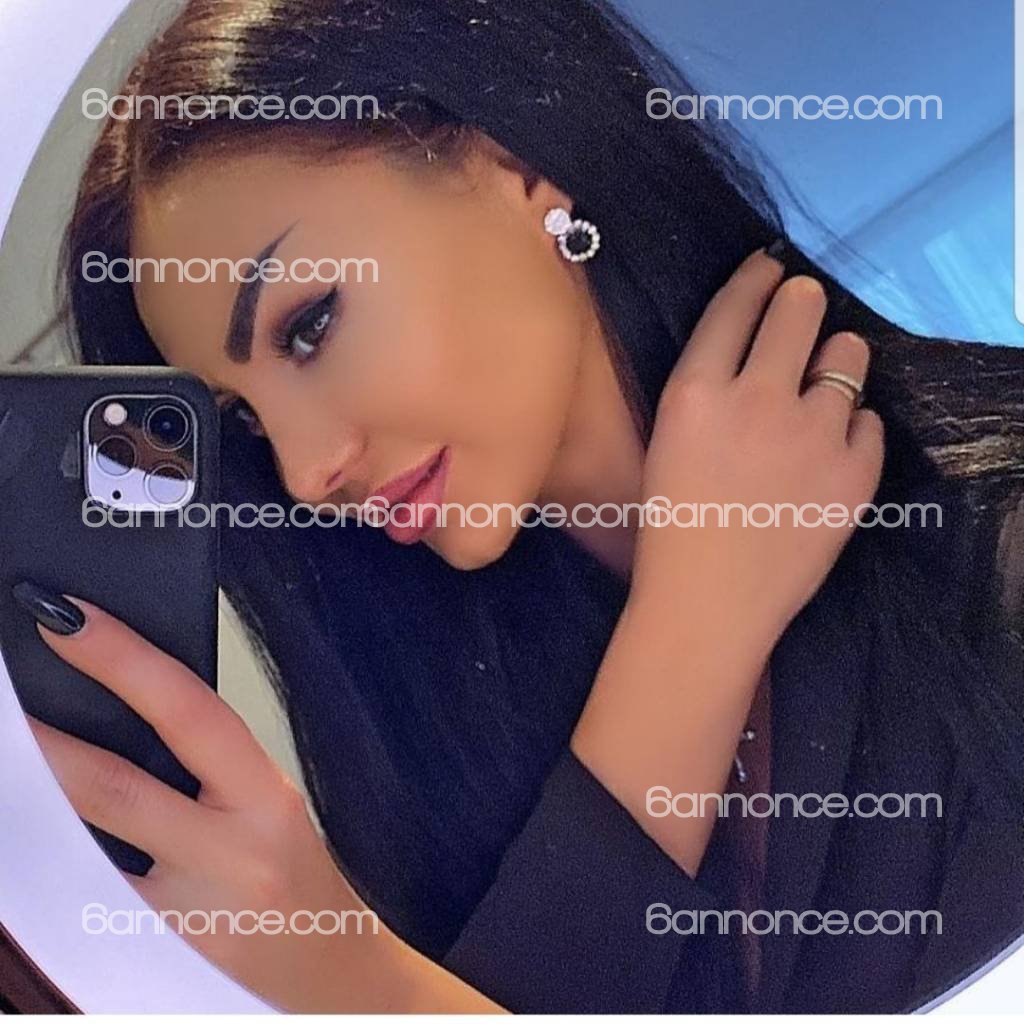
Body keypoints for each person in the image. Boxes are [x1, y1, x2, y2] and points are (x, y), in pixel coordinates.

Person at [20, 0, 1024, 1012]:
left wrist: (354, 985)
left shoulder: (992, 533)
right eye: (244, 420)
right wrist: (695, 628)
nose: (305, 472)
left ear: (520, 166)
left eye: (311, 324)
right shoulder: (445, 762)